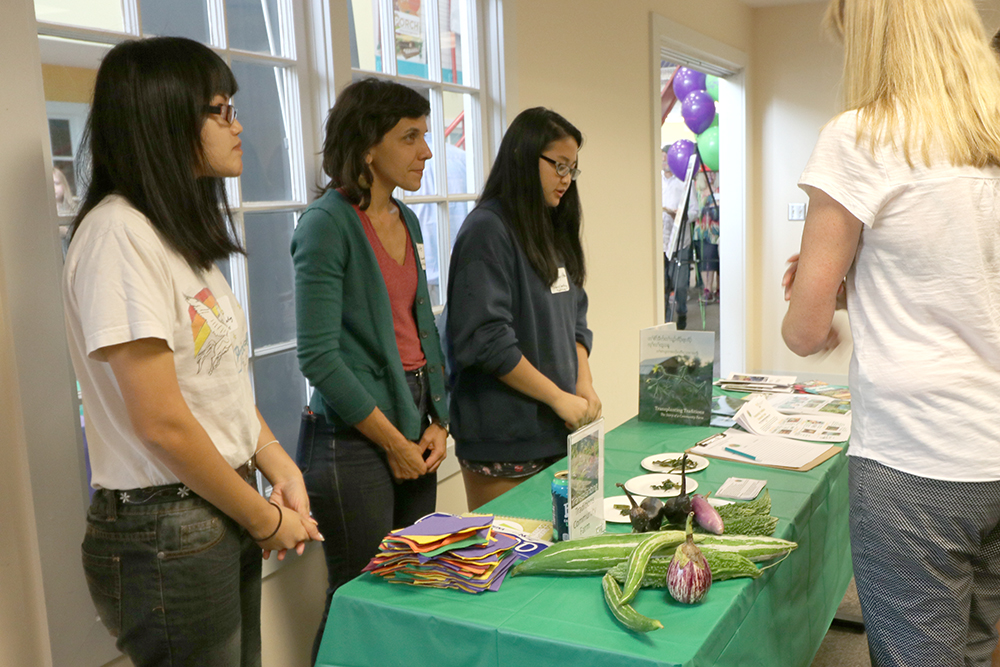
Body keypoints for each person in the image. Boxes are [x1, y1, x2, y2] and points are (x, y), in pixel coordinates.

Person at [62, 37, 319, 667]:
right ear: (166, 118)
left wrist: (279, 465)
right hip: (165, 522)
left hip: (212, 505)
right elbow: (163, 422)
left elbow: (218, 385)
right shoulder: (117, 233)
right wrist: (263, 517)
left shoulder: (176, 234)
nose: (237, 127)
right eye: (221, 110)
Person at [781, 1, 1000, 664]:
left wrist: (819, 293)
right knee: (978, 646)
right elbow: (964, 279)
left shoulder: (861, 137)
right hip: (993, 453)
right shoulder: (989, 138)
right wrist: (867, 279)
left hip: (914, 463)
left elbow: (804, 329)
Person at [291, 77, 449, 664]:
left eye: (424, 137)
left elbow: (421, 331)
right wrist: (392, 440)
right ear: (366, 147)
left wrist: (439, 420)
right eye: (410, 138)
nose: (425, 153)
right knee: (360, 600)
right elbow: (318, 358)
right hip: (352, 440)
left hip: (413, 420)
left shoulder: (405, 220)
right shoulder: (325, 225)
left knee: (415, 587)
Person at [446, 107, 601, 511]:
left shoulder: (550, 226)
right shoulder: (487, 230)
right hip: (504, 439)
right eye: (559, 165)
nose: (567, 179)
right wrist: (557, 397)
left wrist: (582, 384)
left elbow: (575, 319)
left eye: (573, 168)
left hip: (559, 428)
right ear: (523, 157)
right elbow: (486, 340)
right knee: (513, 562)